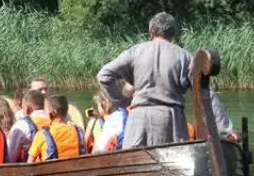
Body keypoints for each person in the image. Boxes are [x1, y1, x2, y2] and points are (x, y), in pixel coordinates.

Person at [95, 12, 238, 148]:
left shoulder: (135, 51)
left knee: (134, 162)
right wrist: (226, 130)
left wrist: (121, 102)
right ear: (173, 34)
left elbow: (104, 76)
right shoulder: (184, 57)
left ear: (151, 31)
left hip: (139, 120)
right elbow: (205, 93)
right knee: (175, 164)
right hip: (172, 121)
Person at [27, 94, 86, 163]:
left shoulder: (41, 135)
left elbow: (29, 163)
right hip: (77, 172)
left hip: (50, 172)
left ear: (53, 112)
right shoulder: (79, 131)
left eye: (45, 111)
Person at [7, 89, 51, 162]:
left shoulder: (21, 126)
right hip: (51, 165)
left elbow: (11, 157)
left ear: (28, 109)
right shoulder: (54, 120)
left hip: (29, 169)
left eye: (23, 107)